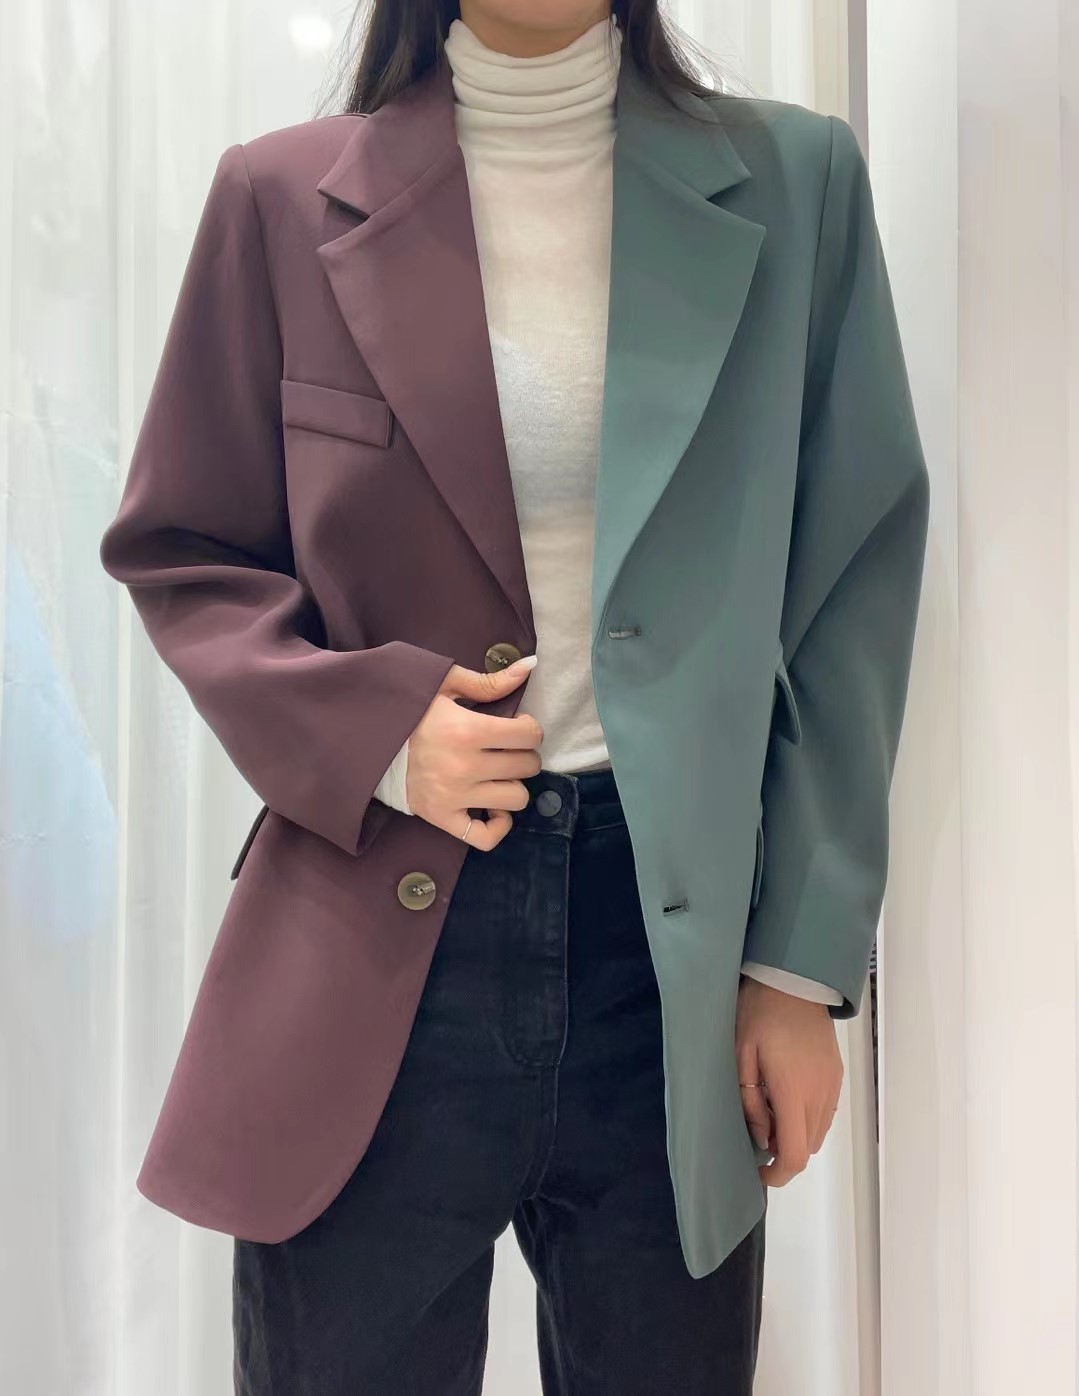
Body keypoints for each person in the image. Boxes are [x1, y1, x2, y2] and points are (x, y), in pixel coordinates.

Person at [99, 1, 930, 1391]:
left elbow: (851, 577)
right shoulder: (280, 197)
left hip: (667, 964)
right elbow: (185, 549)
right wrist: (372, 735)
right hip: (374, 946)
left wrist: (797, 967)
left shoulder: (798, 185)